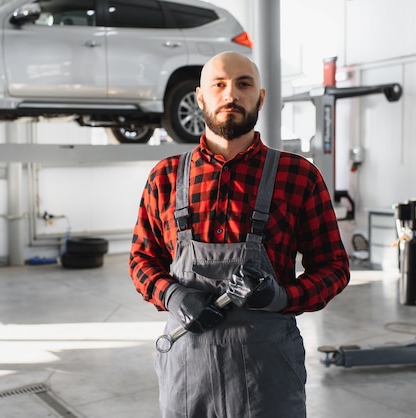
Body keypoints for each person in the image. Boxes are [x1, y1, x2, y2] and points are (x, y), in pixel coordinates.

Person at [128, 51, 350, 418]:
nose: (230, 94)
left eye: (243, 84)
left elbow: (334, 267)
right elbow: (141, 260)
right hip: (188, 373)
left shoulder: (299, 176)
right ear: (200, 97)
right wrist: (174, 296)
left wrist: (282, 297)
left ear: (260, 97)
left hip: (268, 375)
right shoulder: (165, 178)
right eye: (219, 84)